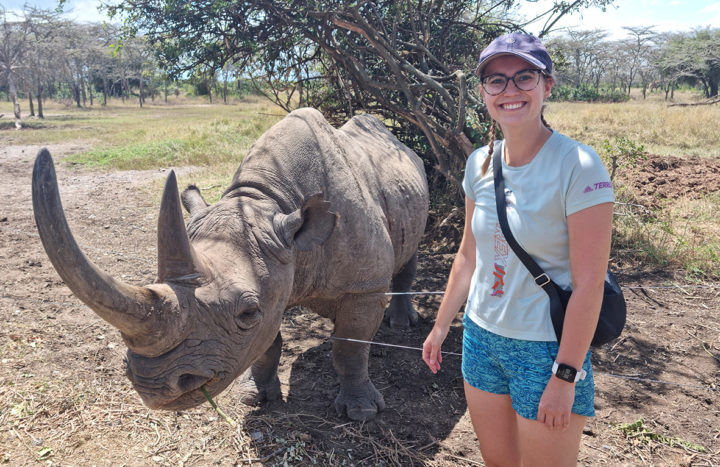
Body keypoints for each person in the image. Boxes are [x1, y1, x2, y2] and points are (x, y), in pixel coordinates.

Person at [422, 32, 614, 467]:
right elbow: (469, 255)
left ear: (547, 86)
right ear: (483, 93)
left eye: (524, 77)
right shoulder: (480, 162)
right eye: (496, 80)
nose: (510, 90)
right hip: (481, 339)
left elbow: (588, 286)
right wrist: (440, 326)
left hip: (546, 349)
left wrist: (566, 376)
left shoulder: (579, 166)